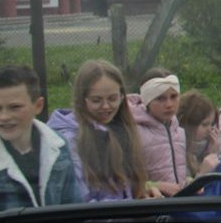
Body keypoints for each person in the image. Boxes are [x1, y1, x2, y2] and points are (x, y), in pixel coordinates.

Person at [49, 60, 157, 202]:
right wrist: (131, 208)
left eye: (112, 99)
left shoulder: (123, 129)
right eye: (96, 100)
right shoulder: (70, 139)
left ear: (122, 97)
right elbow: (81, 201)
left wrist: (142, 193)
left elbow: (123, 188)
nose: (106, 106)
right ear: (82, 99)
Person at [0, 65, 79, 210]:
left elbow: (74, 209)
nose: (4, 117)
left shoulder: (58, 146)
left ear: (38, 105)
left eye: (15, 107)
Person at [128, 67, 188, 196]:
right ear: (147, 100)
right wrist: (156, 186)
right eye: (160, 98)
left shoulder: (179, 132)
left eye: (174, 97)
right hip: (153, 205)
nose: (169, 104)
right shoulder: (135, 133)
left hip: (183, 201)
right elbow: (126, 181)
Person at [175, 91, 221, 179]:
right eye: (204, 125)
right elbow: (184, 189)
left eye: (211, 124)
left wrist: (212, 153)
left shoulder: (207, 145)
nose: (210, 130)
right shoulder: (178, 150)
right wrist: (202, 174)